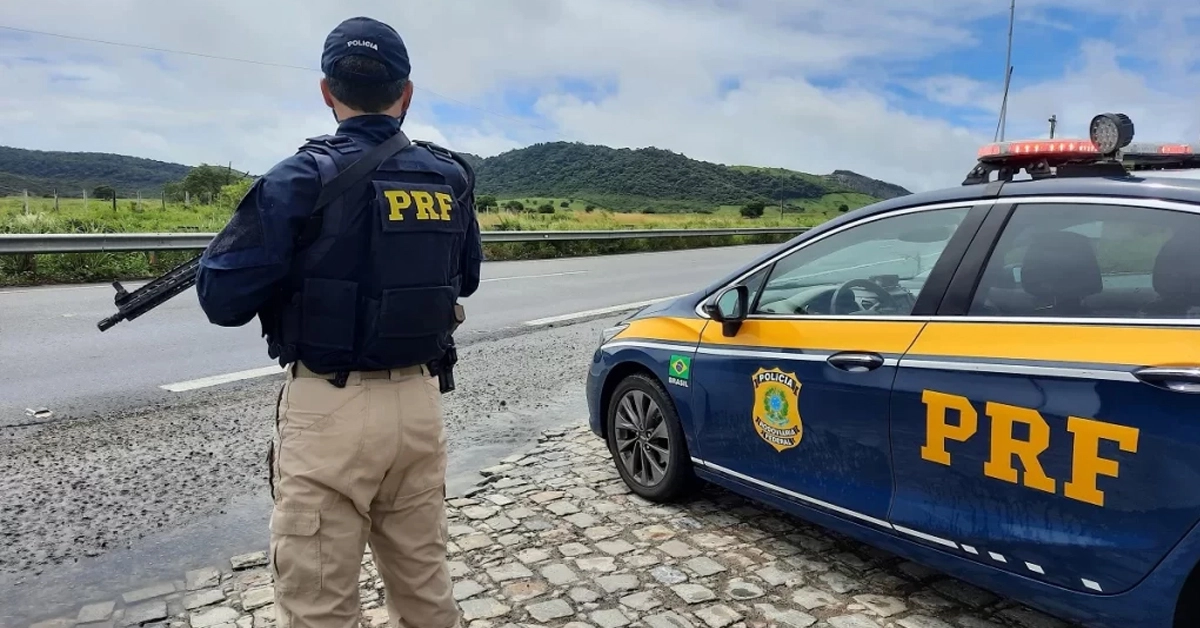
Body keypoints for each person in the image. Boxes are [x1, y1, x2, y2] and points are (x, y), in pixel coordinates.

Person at [194, 15, 482, 628]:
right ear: (406, 94)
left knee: (319, 604)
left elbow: (222, 302)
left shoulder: (297, 178)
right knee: (426, 590)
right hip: (420, 403)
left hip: (330, 410)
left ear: (327, 91)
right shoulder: (450, 176)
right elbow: (467, 279)